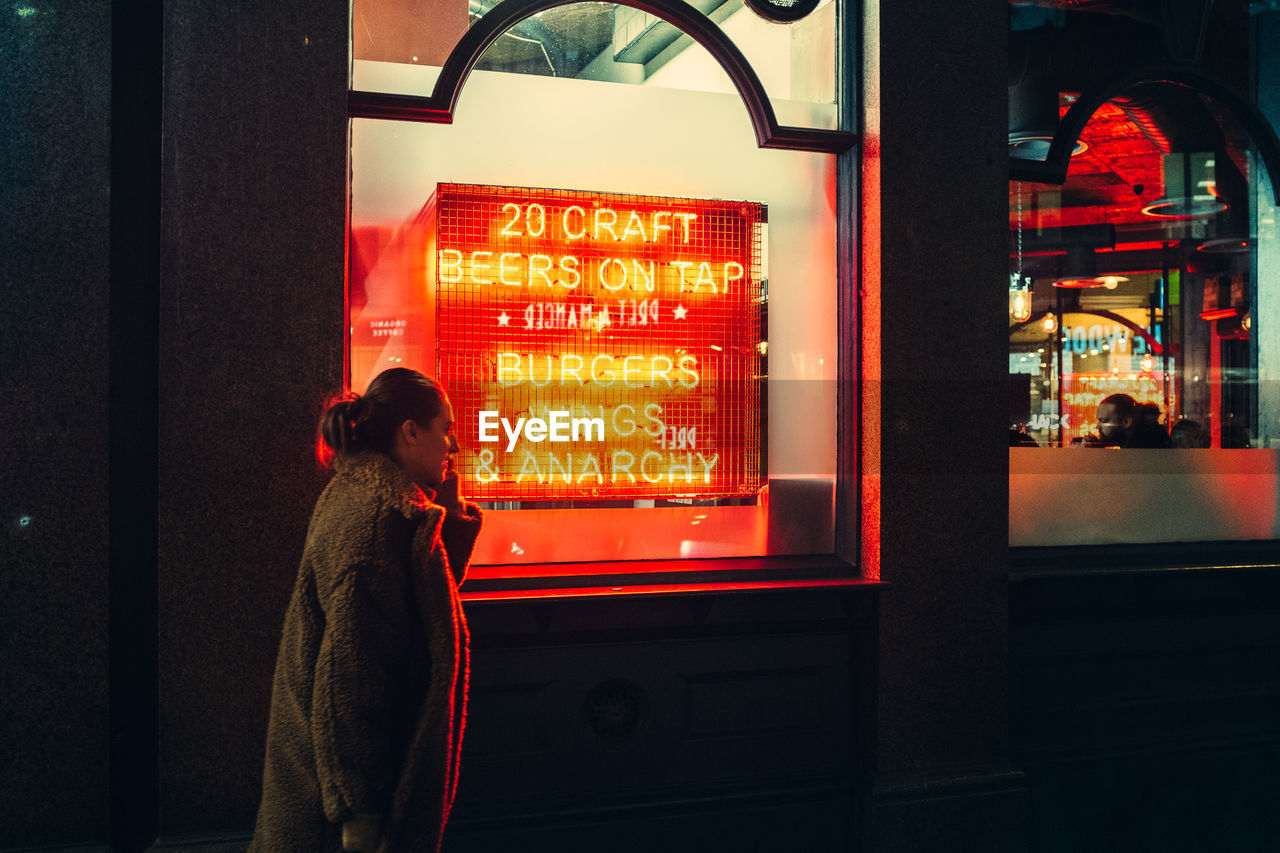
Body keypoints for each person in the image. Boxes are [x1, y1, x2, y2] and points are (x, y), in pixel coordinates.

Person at [250, 368, 482, 853]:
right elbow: (350, 686)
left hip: (329, 798)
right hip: (337, 824)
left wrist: (447, 518)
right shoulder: (377, 522)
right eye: (445, 429)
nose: (453, 446)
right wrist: (362, 817)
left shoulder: (369, 496)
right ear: (411, 432)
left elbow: (416, 613)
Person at [1094, 393, 1172, 448]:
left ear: (1126, 422)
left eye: (1103, 421)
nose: (1097, 427)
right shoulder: (1148, 441)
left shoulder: (1140, 452)